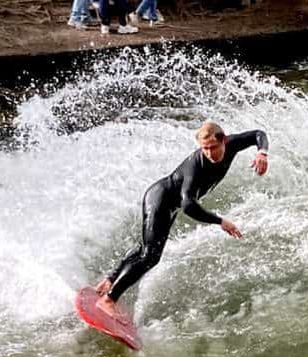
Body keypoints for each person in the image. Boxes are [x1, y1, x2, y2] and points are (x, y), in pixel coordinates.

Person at [95, 122, 270, 317]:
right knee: (150, 256)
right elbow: (188, 205)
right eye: (205, 148)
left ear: (224, 141)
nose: (209, 153)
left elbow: (257, 134)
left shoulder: (232, 143)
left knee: (146, 248)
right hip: (160, 199)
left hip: (169, 204)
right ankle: (109, 299)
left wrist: (262, 153)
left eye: (213, 147)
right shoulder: (196, 167)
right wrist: (220, 221)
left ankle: (109, 281)